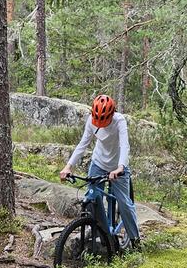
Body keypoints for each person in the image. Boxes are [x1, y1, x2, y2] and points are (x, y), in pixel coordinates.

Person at [59, 94, 141, 249]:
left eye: (105, 120)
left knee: (124, 203)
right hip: (98, 163)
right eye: (99, 120)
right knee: (91, 199)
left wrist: (121, 167)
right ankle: (105, 235)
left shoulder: (119, 121)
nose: (102, 124)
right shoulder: (91, 121)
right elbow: (83, 144)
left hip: (118, 166)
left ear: (111, 114)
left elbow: (125, 145)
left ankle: (135, 241)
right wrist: (68, 166)